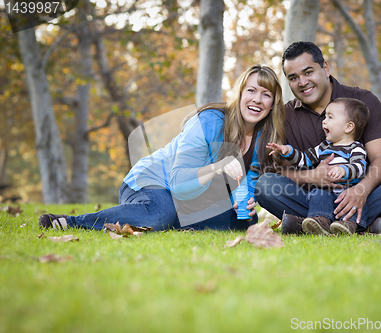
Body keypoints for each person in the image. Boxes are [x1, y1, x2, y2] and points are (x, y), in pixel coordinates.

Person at [39, 65, 286, 232]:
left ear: (273, 104)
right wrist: (217, 167)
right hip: (152, 183)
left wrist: (244, 200)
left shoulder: (264, 138)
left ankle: (171, 220)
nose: (257, 99)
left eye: (266, 95)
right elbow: (178, 181)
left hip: (190, 199)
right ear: (239, 94)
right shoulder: (210, 122)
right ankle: (70, 222)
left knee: (245, 220)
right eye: (251, 91)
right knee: (160, 214)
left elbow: (245, 182)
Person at [255, 41, 381, 235]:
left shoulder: (363, 102)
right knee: (265, 185)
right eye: (293, 77)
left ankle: (306, 226)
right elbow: (278, 172)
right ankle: (362, 227)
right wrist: (312, 177)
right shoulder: (284, 116)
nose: (302, 82)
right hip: (313, 200)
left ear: (325, 68)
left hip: (362, 197)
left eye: (308, 72)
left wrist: (361, 190)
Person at [266, 97, 369, 236]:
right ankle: (320, 221)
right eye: (325, 117)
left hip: (346, 194)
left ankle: (346, 225)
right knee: (318, 193)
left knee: (353, 201)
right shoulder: (323, 148)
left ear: (348, 127)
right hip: (325, 194)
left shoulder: (356, 148)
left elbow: (359, 167)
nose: (324, 121)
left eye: (330, 117)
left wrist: (342, 170)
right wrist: (288, 151)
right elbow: (304, 160)